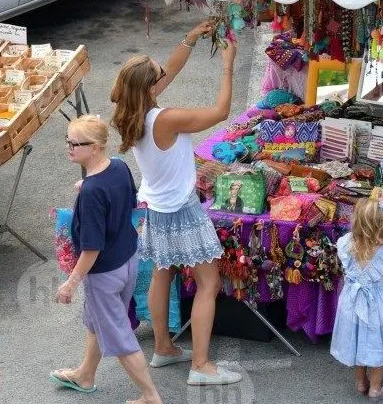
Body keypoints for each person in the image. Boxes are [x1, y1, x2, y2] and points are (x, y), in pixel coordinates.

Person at [110, 21, 242, 386]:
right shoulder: (166, 118)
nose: (164, 73)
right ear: (151, 86)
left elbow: (173, 67)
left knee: (162, 273)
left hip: (154, 205)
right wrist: (228, 63)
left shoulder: (130, 109)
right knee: (208, 283)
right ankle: (201, 365)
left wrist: (192, 38)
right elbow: (220, 112)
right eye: (158, 73)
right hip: (181, 209)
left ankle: (164, 348)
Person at [51, 116, 162, 404]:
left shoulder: (91, 192)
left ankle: (150, 396)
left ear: (96, 147)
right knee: (97, 320)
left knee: (119, 336)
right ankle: (85, 375)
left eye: (76, 143)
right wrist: (87, 183)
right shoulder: (118, 166)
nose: (69, 147)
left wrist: (71, 283)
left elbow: (91, 248)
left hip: (104, 274)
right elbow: (127, 197)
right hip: (128, 259)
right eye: (68, 141)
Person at [330, 198, 383, 401]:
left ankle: (361, 383)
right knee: (376, 343)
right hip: (378, 303)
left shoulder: (344, 243)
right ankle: (376, 389)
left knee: (357, 341)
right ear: (380, 224)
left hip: (351, 300)